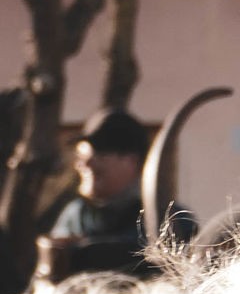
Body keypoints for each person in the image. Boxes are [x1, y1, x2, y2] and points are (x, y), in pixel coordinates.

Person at [37, 108, 193, 281]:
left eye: (99, 155)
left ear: (131, 160)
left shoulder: (173, 221)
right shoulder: (74, 215)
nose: (84, 163)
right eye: (80, 155)